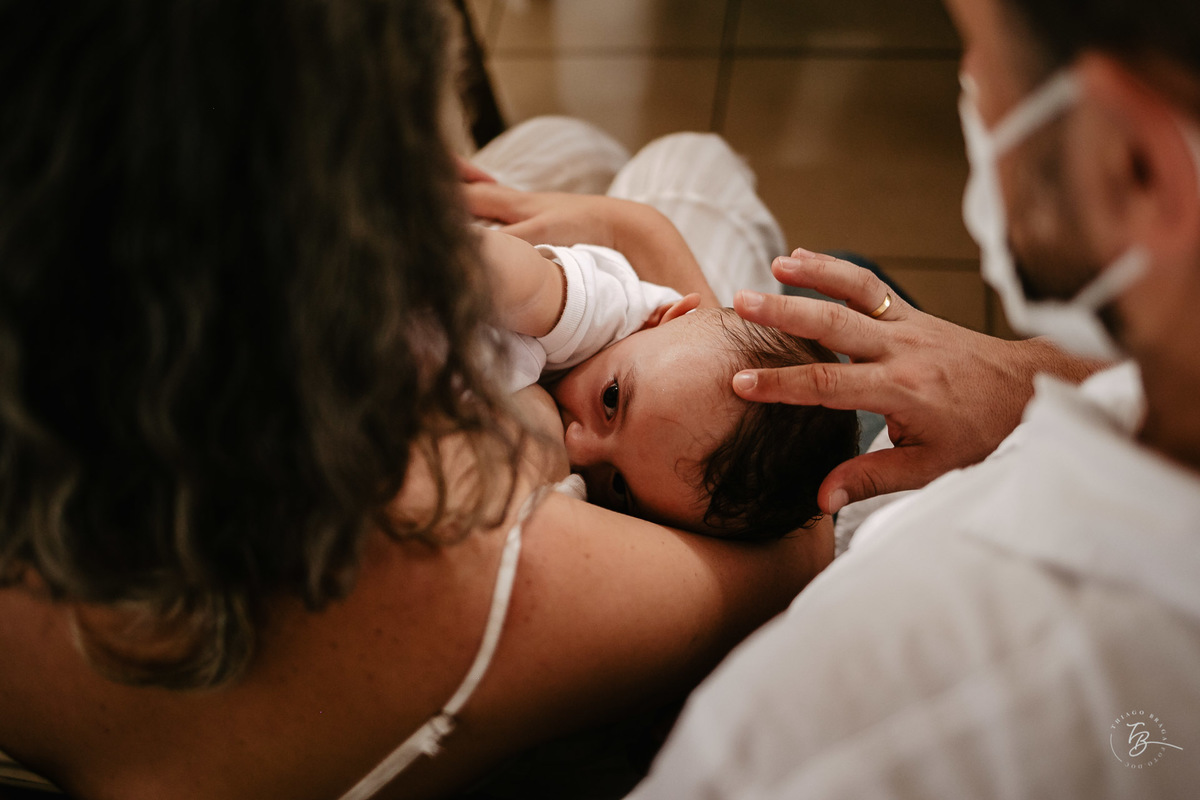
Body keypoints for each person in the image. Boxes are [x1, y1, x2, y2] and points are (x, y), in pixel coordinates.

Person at [0, 3, 834, 799]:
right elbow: (798, 542)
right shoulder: (489, 525)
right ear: (373, 223)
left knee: (562, 148)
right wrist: (641, 231)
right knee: (686, 163)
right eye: (432, 142)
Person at [621, 0, 1200, 796]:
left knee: (672, 166)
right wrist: (1023, 377)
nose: (970, 85)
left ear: (1135, 166)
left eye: (977, 52)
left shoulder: (815, 735)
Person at [480, 224, 859, 539]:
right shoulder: (606, 308)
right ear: (663, 317)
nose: (576, 447)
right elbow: (519, 280)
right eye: (610, 401)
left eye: (618, 488)